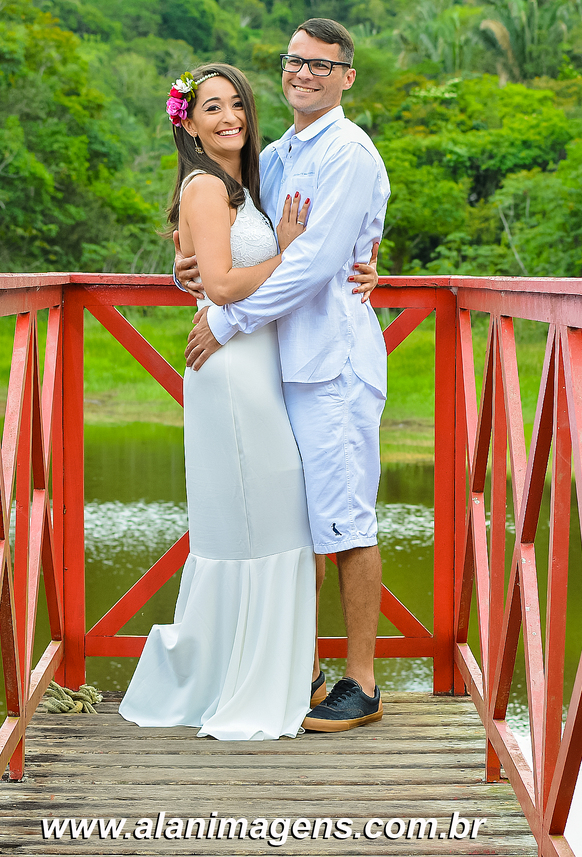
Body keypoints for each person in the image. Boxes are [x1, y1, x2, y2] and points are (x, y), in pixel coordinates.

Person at [118, 63, 379, 740]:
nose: (229, 116)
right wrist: (286, 254)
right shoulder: (207, 184)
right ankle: (252, 674)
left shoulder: (255, 179)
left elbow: (236, 265)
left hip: (263, 364)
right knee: (265, 522)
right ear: (189, 124)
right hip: (232, 369)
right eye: (212, 107)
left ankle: (283, 670)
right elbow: (224, 285)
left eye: (237, 103)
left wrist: (362, 259)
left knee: (278, 521)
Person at [179, 19, 391, 733]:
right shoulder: (273, 156)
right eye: (294, 61)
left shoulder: (349, 153)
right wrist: (189, 267)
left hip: (330, 363)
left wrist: (227, 320)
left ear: (346, 77)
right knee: (295, 523)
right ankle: (302, 668)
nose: (303, 73)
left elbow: (316, 261)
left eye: (320, 65)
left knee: (345, 519)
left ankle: (362, 681)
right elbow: (242, 241)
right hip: (276, 366)